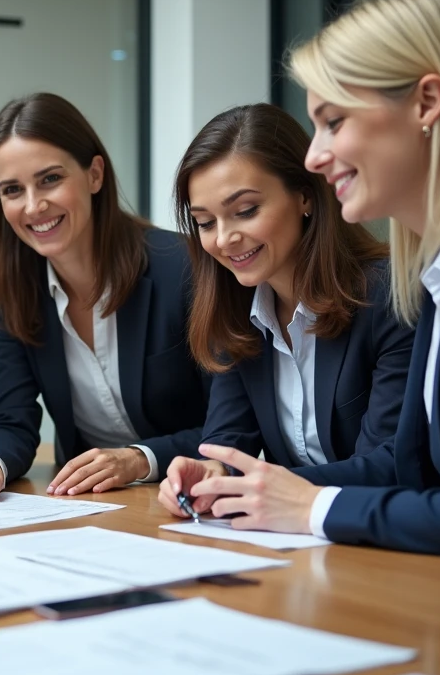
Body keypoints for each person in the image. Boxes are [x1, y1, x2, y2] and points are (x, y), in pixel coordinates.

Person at [186, 0, 440, 563]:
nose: (314, 156)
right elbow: (412, 466)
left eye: (334, 121)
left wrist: (311, 507)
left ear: (427, 103)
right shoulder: (437, 265)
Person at [0, 93, 209, 504]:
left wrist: (139, 459)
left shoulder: (184, 268)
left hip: (185, 501)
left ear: (95, 174)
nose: (34, 205)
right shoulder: (12, 288)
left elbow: (230, 426)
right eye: (13, 190)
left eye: (50, 179)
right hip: (87, 507)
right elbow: (12, 417)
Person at [156, 103, 413, 519]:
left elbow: (390, 464)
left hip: (378, 538)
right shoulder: (237, 307)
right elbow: (227, 440)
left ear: (305, 197)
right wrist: (210, 472)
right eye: (205, 222)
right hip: (292, 543)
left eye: (245, 211)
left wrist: (264, 488)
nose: (224, 239)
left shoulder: (386, 297)